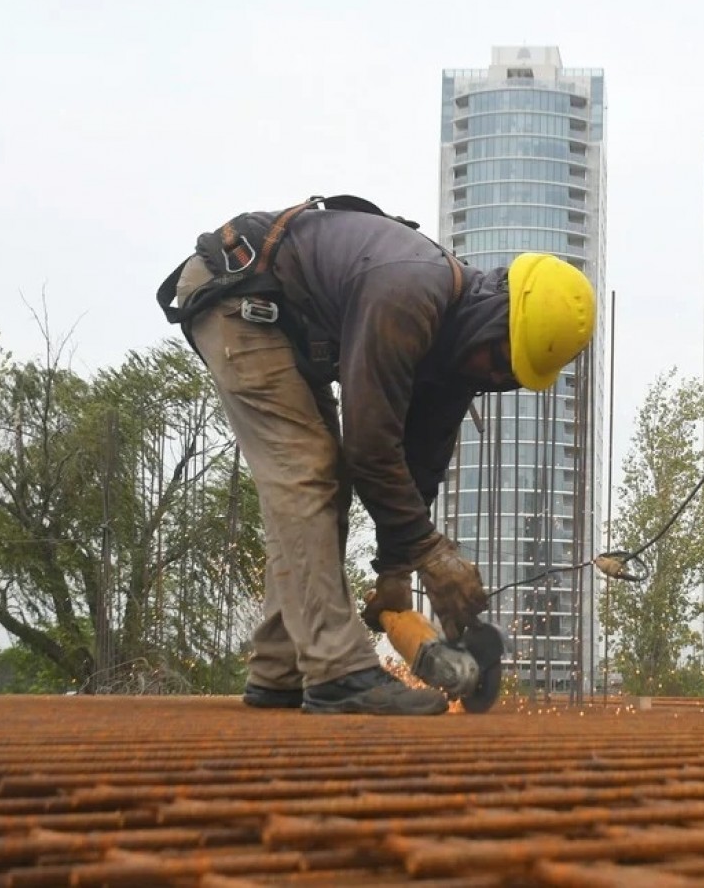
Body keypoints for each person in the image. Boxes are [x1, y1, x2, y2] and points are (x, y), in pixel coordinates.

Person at [156, 195, 596, 715]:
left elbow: (417, 466)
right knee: (309, 470)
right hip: (241, 298)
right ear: (493, 310)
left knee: (323, 478)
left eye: (510, 376)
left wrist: (395, 573)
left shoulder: (463, 356)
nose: (495, 375)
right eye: (500, 356)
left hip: (282, 319)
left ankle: (282, 668)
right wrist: (430, 554)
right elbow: (370, 443)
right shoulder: (408, 296)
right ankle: (338, 673)